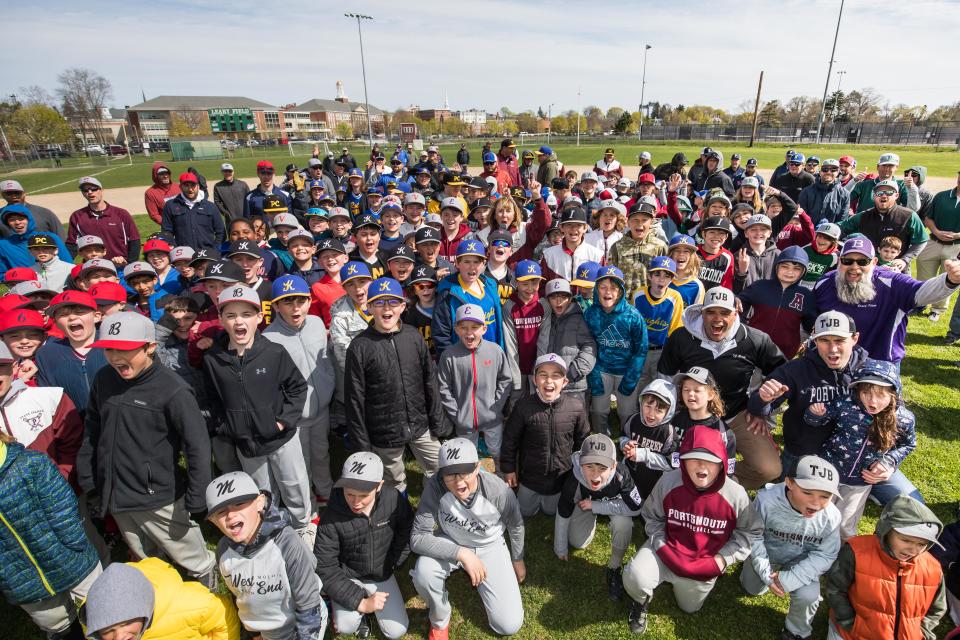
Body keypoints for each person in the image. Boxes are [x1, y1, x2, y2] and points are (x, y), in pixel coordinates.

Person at [76, 311, 216, 586]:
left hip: (158, 496)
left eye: (125, 349)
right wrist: (89, 476)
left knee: (188, 552)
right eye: (109, 349)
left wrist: (198, 495)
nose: (116, 357)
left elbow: (197, 445)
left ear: (150, 347)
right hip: (116, 492)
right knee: (146, 558)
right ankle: (162, 596)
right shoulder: (104, 378)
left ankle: (208, 586)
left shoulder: (173, 389)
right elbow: (93, 429)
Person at [622, 425, 762, 633]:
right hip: (667, 550)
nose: (701, 466)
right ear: (683, 460)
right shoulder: (669, 481)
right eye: (693, 458)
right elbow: (651, 516)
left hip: (704, 563)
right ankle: (641, 601)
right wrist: (661, 545)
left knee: (689, 608)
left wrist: (723, 559)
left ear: (722, 462)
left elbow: (750, 532)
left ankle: (684, 587)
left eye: (711, 460)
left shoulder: (736, 494)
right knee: (634, 576)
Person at [202, 286, 312, 537]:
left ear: (259, 318)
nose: (239, 321)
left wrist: (282, 422)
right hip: (247, 444)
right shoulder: (213, 359)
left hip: (282, 438)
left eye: (246, 314)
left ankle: (303, 526)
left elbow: (297, 388)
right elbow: (212, 400)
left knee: (294, 484)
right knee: (262, 491)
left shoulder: (274, 352)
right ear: (221, 320)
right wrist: (228, 427)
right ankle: (273, 530)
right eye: (230, 315)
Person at [657, 286, 787, 489]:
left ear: (736, 313)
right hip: (691, 414)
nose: (717, 319)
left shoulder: (755, 339)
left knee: (769, 469)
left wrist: (761, 408)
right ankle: (689, 480)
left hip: (737, 414)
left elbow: (782, 375)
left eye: (725, 312)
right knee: (668, 459)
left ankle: (722, 481)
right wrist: (668, 413)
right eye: (711, 312)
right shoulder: (681, 337)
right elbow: (665, 377)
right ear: (702, 312)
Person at [410, 437, 526, 639]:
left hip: (490, 545)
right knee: (423, 573)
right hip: (452, 539)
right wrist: (462, 553)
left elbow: (516, 524)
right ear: (441, 474)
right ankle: (440, 618)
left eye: (465, 472)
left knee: (509, 625)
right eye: (450, 475)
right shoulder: (435, 486)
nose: (458, 481)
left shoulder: (498, 490)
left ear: (478, 467)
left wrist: (518, 558)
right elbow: (418, 538)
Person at [345, 277, 444, 494]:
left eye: (392, 302)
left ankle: (433, 502)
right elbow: (355, 400)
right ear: (369, 307)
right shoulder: (359, 347)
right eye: (379, 303)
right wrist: (362, 444)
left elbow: (430, 381)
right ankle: (401, 514)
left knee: (440, 467)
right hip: (384, 431)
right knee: (394, 480)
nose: (386, 308)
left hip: (420, 423)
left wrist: (437, 420)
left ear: (402, 306)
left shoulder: (413, 337)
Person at [0, 428, 101, 640]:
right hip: (25, 584)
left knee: (101, 611)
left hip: (72, 560)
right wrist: (7, 576)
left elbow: (62, 507)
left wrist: (73, 544)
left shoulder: (30, 465)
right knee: (58, 626)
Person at [206, 471, 326, 640]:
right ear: (213, 521)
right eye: (221, 512)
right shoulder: (223, 551)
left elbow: (308, 603)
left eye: (239, 503)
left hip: (298, 625)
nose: (231, 515)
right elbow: (240, 595)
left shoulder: (287, 543)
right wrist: (255, 633)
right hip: (264, 631)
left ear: (260, 502)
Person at [807, 359, 918, 539]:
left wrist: (889, 462)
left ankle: (842, 557)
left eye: (880, 395)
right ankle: (809, 547)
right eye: (865, 392)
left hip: (859, 482)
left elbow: (908, 444)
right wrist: (814, 414)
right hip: (828, 473)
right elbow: (816, 421)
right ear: (857, 390)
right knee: (815, 516)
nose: (872, 400)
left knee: (844, 524)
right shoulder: (846, 404)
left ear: (893, 394)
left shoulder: (904, 419)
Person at [813, 236, 960, 363]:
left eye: (862, 261)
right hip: (833, 361)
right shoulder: (825, 283)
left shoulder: (892, 282)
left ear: (874, 262)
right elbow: (810, 319)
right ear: (839, 261)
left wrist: (950, 280)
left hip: (880, 362)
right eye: (847, 261)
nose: (854, 267)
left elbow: (923, 292)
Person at [314, 452, 413, 640]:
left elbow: (407, 527)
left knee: (396, 631)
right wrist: (361, 603)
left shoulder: (393, 499)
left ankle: (368, 608)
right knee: (346, 625)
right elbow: (325, 566)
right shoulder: (331, 516)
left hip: (381, 573)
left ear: (379, 486)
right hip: (348, 575)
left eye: (363, 495)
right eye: (349, 494)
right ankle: (361, 615)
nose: (356, 502)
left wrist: (395, 560)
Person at [743, 455, 842, 640]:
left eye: (825, 496)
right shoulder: (766, 501)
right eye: (807, 492)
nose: (816, 502)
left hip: (801, 560)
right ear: (789, 482)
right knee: (752, 589)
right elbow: (753, 536)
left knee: (808, 596)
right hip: (768, 552)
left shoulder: (832, 516)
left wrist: (792, 578)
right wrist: (765, 574)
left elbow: (826, 554)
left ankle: (796, 632)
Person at [825, 495, 947, 640]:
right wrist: (850, 623)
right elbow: (835, 589)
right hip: (851, 635)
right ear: (886, 530)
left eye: (922, 544)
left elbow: (938, 608)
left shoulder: (933, 568)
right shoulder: (855, 552)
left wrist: (922, 632)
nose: (913, 550)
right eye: (905, 540)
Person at [263, 275, 335, 512]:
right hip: (294, 417)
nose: (296, 308)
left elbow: (325, 360)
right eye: (287, 302)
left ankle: (326, 493)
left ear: (309, 301)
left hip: (321, 407)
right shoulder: (268, 339)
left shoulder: (316, 323)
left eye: (301, 301)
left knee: (321, 454)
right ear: (275, 306)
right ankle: (309, 506)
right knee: (300, 464)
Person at [553, 432, 642, 601]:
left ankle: (615, 567)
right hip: (585, 505)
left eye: (602, 468)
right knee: (578, 542)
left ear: (614, 466)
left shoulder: (621, 476)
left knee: (623, 524)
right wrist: (560, 547)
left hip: (608, 506)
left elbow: (636, 508)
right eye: (589, 467)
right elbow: (563, 512)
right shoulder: (574, 480)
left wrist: (597, 506)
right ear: (580, 463)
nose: (595, 475)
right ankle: (592, 519)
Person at [438, 303, 512, 470]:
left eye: (474, 327)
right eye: (463, 327)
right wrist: (457, 414)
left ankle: (502, 478)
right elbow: (443, 388)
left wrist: (496, 406)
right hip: (464, 420)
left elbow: (505, 380)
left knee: (496, 449)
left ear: (484, 329)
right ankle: (472, 483)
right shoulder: (449, 355)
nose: (469, 332)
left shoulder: (495, 351)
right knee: (467, 454)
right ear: (456, 329)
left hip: (492, 417)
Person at [584, 265, 648, 435]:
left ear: (621, 291)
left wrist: (631, 377)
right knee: (598, 410)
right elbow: (586, 343)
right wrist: (594, 371)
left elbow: (641, 349)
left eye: (613, 288)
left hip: (626, 370)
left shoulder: (633, 316)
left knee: (626, 412)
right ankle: (600, 437)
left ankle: (627, 439)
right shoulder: (590, 314)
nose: (608, 292)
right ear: (596, 290)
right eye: (603, 287)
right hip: (601, 369)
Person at [34, 290, 109, 417]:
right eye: (63, 314)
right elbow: (48, 400)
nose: (72, 317)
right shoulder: (47, 355)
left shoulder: (112, 345)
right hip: (73, 431)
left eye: (80, 312)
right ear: (56, 322)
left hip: (118, 425)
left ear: (97, 316)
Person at [738, 246, 817, 359]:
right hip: (753, 346)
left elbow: (811, 325)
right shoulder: (760, 286)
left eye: (797, 269)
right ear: (776, 267)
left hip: (784, 353)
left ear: (803, 271)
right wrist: (736, 300)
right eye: (785, 267)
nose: (790, 272)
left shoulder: (806, 295)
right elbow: (739, 304)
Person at [432, 238, 505, 357]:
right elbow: (441, 334)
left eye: (476, 262)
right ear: (457, 264)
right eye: (466, 261)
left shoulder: (490, 285)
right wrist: (452, 362)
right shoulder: (448, 293)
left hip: (491, 357)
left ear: (483, 264)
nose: (472, 267)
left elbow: (498, 328)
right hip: (462, 360)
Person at [839, 178, 928, 273]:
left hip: (898, 270)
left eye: (889, 192)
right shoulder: (863, 216)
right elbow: (840, 229)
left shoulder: (908, 216)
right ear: (874, 196)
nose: (884, 196)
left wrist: (905, 260)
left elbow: (921, 240)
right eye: (879, 193)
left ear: (896, 195)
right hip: (867, 270)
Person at [537, 278, 597, 405]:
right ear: (548, 300)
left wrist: (575, 371)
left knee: (576, 420)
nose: (558, 301)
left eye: (563, 297)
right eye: (553, 297)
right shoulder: (545, 319)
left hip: (573, 385)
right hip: (550, 385)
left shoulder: (579, 319)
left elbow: (589, 347)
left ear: (570, 299)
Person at [618, 379, 678, 500]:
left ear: (669, 412)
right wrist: (625, 444)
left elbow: (673, 464)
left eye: (659, 410)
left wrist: (643, 455)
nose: (651, 414)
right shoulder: (633, 420)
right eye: (648, 406)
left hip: (654, 481)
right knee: (629, 499)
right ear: (641, 403)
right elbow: (622, 437)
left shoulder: (669, 433)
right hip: (630, 474)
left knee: (647, 507)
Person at [633, 256, 684, 388]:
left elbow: (676, 329)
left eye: (667, 276)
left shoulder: (675, 298)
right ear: (649, 276)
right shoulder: (638, 294)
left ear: (672, 279)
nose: (662, 279)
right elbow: (632, 324)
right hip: (641, 348)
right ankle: (639, 408)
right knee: (640, 382)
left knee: (658, 385)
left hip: (661, 350)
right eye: (657, 274)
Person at [66, 176, 140, 266]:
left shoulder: (121, 214)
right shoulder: (77, 216)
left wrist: (130, 264)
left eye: (93, 188)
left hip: (120, 265)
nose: (89, 192)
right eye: (85, 190)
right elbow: (72, 245)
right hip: (92, 268)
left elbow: (134, 241)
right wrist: (65, 266)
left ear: (101, 190)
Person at [919, 171, 960, 323]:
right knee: (924, 275)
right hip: (933, 242)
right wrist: (936, 231)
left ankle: (937, 309)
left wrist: (957, 235)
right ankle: (919, 304)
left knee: (949, 278)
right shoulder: (942, 196)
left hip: (956, 246)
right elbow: (928, 218)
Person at [610, 198, 668, 304]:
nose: (639, 224)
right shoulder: (617, 247)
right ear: (628, 222)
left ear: (651, 222)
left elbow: (667, 276)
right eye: (635, 220)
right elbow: (611, 277)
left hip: (651, 304)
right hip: (624, 304)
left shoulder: (660, 246)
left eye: (644, 220)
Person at [541, 205, 604, 282]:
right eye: (569, 224)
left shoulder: (597, 255)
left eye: (578, 225)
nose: (573, 229)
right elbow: (542, 286)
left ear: (585, 228)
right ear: (561, 227)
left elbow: (602, 284)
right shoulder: (549, 255)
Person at [0, 178, 65, 239]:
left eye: (17, 193)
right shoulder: (1, 214)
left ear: (24, 193)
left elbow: (60, 236)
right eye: (9, 193)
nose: (14, 196)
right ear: (3, 196)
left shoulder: (44, 213)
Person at [798, 158, 851, 225]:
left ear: (838, 172)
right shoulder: (806, 192)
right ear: (820, 172)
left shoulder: (844, 194)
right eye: (825, 169)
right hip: (809, 232)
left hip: (831, 233)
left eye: (833, 170)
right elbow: (801, 216)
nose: (828, 172)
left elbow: (842, 221)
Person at [696, 216, 735, 291]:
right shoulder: (694, 252)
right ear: (704, 234)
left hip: (714, 300)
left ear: (726, 237)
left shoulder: (728, 257)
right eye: (712, 232)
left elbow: (726, 285)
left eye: (721, 233)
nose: (716, 236)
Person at [801, 221, 841, 289]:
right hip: (800, 282)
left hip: (818, 285)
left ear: (833, 241)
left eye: (827, 238)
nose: (821, 240)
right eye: (819, 236)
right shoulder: (806, 249)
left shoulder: (835, 257)